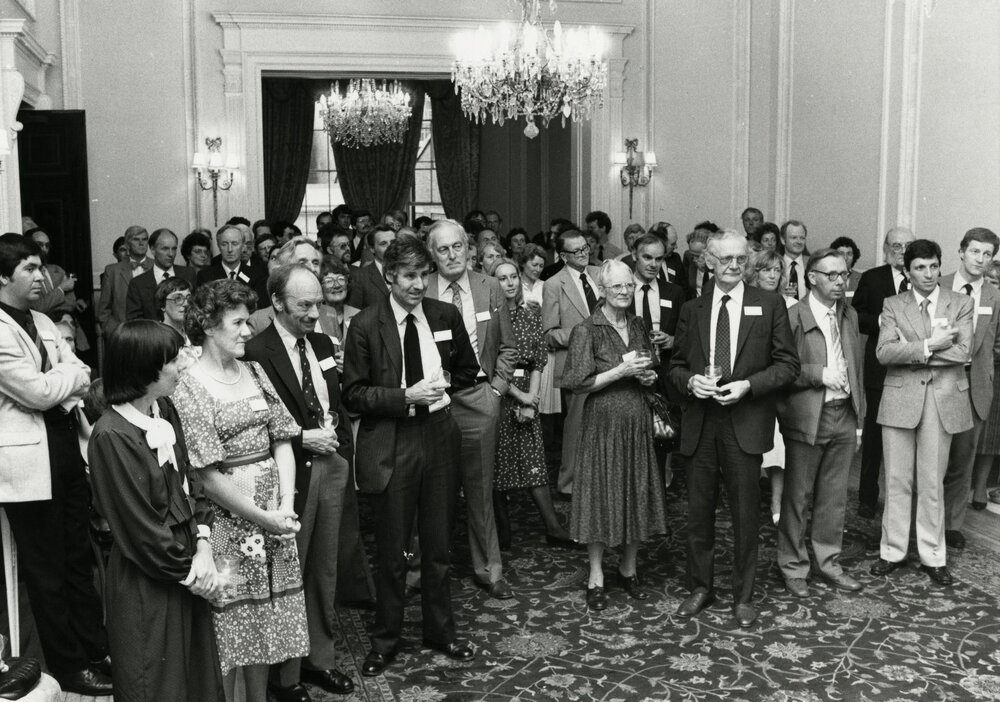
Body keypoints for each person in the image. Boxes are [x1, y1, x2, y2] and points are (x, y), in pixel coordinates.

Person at [342, 237, 479, 676]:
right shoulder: (366, 324)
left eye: (423, 275)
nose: (419, 284)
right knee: (392, 549)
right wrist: (405, 397)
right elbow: (353, 393)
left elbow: (467, 368)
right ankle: (385, 639)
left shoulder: (444, 315)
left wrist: (442, 387)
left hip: (439, 435)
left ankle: (441, 631)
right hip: (392, 438)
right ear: (389, 277)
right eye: (409, 276)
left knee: (438, 543)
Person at [172, 279, 308, 701]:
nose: (249, 331)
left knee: (266, 624)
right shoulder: (189, 384)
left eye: (249, 321)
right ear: (208, 325)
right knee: (231, 628)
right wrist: (264, 516)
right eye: (238, 323)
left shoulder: (255, 371)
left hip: (275, 519)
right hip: (228, 525)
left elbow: (282, 438)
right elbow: (207, 475)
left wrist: (285, 503)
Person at [88, 320, 224, 702]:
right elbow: (139, 530)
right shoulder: (111, 435)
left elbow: (190, 483)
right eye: (174, 359)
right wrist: (193, 574)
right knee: (157, 685)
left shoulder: (163, 409)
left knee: (196, 682)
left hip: (188, 564)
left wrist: (203, 546)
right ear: (145, 368)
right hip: (150, 579)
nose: (184, 365)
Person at [669, 229, 799, 628]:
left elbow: (788, 366)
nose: (734, 266)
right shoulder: (692, 308)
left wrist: (748, 386)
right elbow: (674, 366)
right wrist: (690, 382)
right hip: (701, 421)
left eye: (741, 259)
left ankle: (743, 596)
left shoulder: (769, 304)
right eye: (725, 259)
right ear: (709, 261)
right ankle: (700, 588)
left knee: (745, 516)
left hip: (745, 420)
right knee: (698, 513)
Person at [0, 234, 112, 696]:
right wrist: (63, 379)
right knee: (48, 572)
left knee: (78, 560)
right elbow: (38, 392)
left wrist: (60, 379)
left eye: (40, 267)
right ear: (2, 276)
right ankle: (70, 667)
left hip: (64, 447)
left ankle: (96, 651)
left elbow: (82, 374)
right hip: (27, 465)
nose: (40, 277)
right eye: (28, 268)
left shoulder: (44, 320)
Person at [242, 265, 356, 700]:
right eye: (304, 305)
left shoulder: (323, 344)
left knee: (325, 569)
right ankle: (285, 677)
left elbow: (334, 403)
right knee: (290, 573)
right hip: (289, 475)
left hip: (331, 467)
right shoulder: (256, 351)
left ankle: (320, 660)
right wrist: (303, 438)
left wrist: (342, 452)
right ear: (276, 302)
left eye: (318, 305)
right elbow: (254, 425)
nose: (313, 314)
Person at [562, 259, 666, 610]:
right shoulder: (587, 329)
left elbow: (648, 366)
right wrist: (620, 371)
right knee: (600, 496)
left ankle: (628, 568)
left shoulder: (637, 324)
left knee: (636, 490)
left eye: (629, 286)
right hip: (602, 424)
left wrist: (648, 376)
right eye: (617, 286)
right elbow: (576, 382)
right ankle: (596, 574)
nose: (624, 291)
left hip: (636, 421)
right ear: (602, 290)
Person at [870, 239, 973, 587]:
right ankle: (892, 551)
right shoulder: (892, 304)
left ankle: (933, 556)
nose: (928, 274)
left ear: (939, 266)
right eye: (920, 268)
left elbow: (963, 353)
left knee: (932, 481)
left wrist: (911, 350)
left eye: (933, 266)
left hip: (942, 401)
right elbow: (884, 353)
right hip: (900, 398)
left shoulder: (961, 302)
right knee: (897, 479)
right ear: (908, 271)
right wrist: (931, 345)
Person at [425, 220, 517, 599]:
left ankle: (489, 570)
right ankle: (422, 570)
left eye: (457, 247)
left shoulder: (489, 287)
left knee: (480, 491)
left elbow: (508, 346)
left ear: (469, 249)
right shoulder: (421, 288)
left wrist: (496, 390)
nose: (451, 255)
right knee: (431, 491)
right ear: (432, 254)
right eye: (442, 249)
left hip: (480, 398)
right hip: (433, 403)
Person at [776, 249, 866, 598]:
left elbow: (856, 368)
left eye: (844, 274)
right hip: (807, 416)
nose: (841, 281)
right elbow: (779, 370)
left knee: (834, 497)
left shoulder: (849, 314)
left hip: (845, 414)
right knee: (797, 496)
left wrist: (859, 420)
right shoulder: (792, 316)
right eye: (832, 275)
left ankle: (829, 562)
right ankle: (793, 565)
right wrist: (818, 373)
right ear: (812, 277)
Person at [490, 260, 574, 547]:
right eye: (502, 278)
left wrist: (532, 401)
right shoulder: (489, 319)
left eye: (514, 276)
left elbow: (538, 362)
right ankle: (502, 534)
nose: (510, 283)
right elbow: (491, 366)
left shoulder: (530, 316)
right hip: (500, 394)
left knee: (535, 463)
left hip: (528, 392)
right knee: (498, 465)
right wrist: (520, 396)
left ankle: (553, 528)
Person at [851, 226, 916, 521]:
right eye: (896, 246)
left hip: (914, 368)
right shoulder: (872, 278)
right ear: (886, 248)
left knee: (908, 438)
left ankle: (901, 503)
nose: (901, 251)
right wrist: (882, 321)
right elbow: (855, 315)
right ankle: (867, 498)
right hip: (880, 368)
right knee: (875, 437)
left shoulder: (923, 277)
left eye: (907, 246)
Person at [941, 228, 1000, 550]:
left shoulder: (994, 296)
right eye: (975, 251)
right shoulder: (939, 284)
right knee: (932, 460)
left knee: (962, 462)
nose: (980, 259)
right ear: (961, 251)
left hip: (974, 387)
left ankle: (952, 525)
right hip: (938, 382)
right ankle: (922, 523)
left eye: (987, 254)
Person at [542, 229, 602, 497]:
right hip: (577, 364)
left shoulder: (600, 275)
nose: (583, 254)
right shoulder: (554, 284)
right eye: (576, 251)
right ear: (563, 256)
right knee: (576, 427)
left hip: (608, 360)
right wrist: (582, 334)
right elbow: (549, 334)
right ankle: (569, 484)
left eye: (585, 248)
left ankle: (601, 480)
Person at [747, 248, 795, 524]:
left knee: (779, 448)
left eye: (777, 270)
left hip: (779, 385)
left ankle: (777, 502)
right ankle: (750, 500)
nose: (773, 275)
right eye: (766, 269)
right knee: (750, 447)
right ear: (755, 273)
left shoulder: (791, 305)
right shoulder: (745, 301)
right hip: (750, 384)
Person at [126, 228, 197, 321]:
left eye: (174, 249)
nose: (171, 254)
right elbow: (135, 321)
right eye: (165, 249)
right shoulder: (138, 283)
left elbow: (197, 309)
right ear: (153, 250)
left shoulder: (188, 274)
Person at [97, 225, 151, 341]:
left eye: (144, 239)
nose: (141, 243)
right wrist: (112, 331)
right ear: (127, 244)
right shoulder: (113, 271)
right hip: (123, 334)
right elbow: (104, 309)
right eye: (136, 239)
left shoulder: (157, 266)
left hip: (153, 333)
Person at [975, 260, 1000, 508]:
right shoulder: (971, 301)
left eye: (995, 282)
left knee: (990, 436)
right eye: (987, 280)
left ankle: (981, 487)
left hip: (996, 376)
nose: (990, 285)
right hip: (971, 372)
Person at [196, 224, 261, 289]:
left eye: (234, 244)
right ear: (218, 246)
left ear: (243, 246)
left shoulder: (256, 275)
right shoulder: (205, 276)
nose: (230, 249)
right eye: (224, 244)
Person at [345, 225, 395, 309]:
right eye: (383, 244)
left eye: (393, 242)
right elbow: (353, 312)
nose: (391, 247)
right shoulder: (360, 277)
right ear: (372, 248)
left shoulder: (410, 272)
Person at [780, 220, 809, 300]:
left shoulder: (813, 264)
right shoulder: (776, 264)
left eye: (802, 238)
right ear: (783, 240)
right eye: (794, 237)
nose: (799, 242)